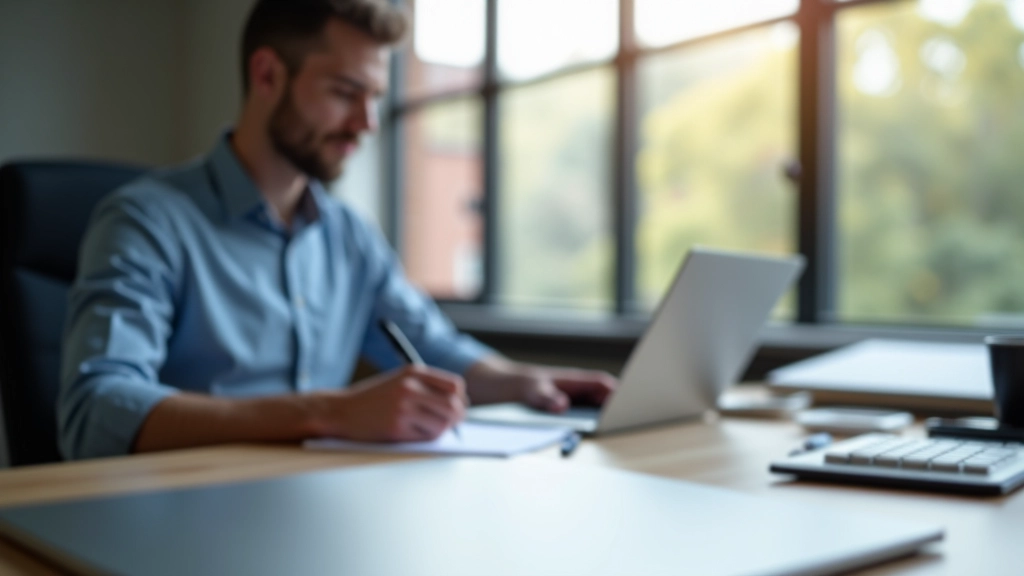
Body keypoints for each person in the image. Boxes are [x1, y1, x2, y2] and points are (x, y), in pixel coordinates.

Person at [58, 0, 617, 460]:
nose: (367, 124)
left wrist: (524, 380)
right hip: (183, 510)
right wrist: (334, 411)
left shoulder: (348, 234)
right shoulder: (146, 220)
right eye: (346, 93)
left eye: (374, 98)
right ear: (268, 75)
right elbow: (98, 410)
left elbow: (429, 343)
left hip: (317, 498)